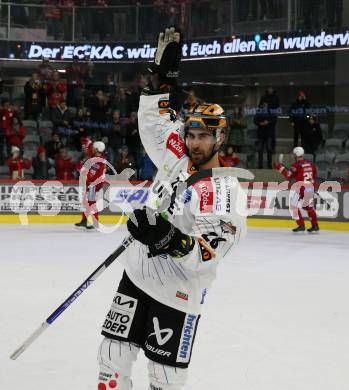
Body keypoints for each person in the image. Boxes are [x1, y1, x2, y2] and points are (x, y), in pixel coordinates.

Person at [97, 27, 247, 390]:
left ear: (220, 137)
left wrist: (166, 236)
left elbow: (210, 251)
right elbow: (153, 123)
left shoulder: (225, 189)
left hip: (178, 292)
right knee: (110, 358)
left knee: (165, 378)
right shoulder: (177, 153)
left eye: (204, 136)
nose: (195, 143)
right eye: (192, 134)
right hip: (137, 275)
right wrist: (161, 82)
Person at [273, 146, 319, 233]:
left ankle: (301, 225)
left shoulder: (296, 165)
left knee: (294, 206)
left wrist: (280, 168)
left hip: (302, 188)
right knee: (308, 207)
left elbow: (289, 175)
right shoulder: (310, 164)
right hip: (310, 187)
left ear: (296, 155)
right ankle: (315, 225)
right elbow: (314, 174)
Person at [75, 141, 106, 230]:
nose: (91, 149)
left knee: (91, 203)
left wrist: (83, 170)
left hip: (93, 185)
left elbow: (94, 174)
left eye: (93, 148)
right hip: (90, 184)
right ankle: (84, 221)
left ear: (97, 149)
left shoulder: (98, 161)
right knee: (85, 202)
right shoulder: (95, 158)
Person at [254, 102, 276, 168]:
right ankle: (260, 166)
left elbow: (274, 121)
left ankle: (269, 165)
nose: (265, 106)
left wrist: (268, 122)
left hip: (268, 134)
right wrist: (260, 123)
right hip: (260, 134)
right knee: (260, 150)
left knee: (269, 150)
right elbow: (255, 120)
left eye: (266, 105)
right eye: (264, 105)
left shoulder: (271, 112)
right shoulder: (259, 112)